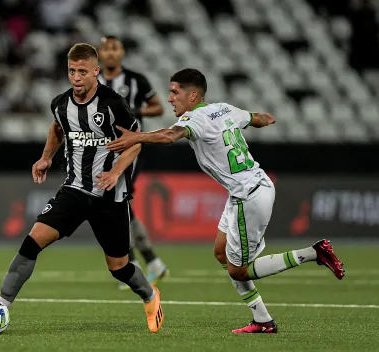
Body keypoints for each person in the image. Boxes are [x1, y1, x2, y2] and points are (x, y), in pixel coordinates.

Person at [106, 68, 345, 334]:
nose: (170, 98)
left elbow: (169, 136)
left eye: (175, 92)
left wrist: (136, 137)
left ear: (193, 95)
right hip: (246, 189)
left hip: (249, 195)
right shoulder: (223, 109)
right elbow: (253, 118)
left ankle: (313, 253)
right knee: (221, 252)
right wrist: (263, 119)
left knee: (239, 271)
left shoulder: (195, 118)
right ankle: (263, 320)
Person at [0, 43, 164, 334]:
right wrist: (46, 157)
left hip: (110, 197)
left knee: (119, 267)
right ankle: (1, 304)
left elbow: (136, 140)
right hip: (73, 191)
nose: (77, 77)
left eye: (83, 71)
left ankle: (149, 295)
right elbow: (57, 128)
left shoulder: (113, 104)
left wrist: (115, 172)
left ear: (96, 71)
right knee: (32, 242)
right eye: (72, 71)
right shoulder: (61, 104)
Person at [97, 35, 168, 289]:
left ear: (122, 52)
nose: (110, 54)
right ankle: (150, 261)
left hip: (130, 149)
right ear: (99, 53)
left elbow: (158, 108)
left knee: (116, 202)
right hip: (100, 152)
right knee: (121, 205)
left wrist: (135, 111)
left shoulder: (135, 80)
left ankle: (133, 265)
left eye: (114, 49)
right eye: (106, 49)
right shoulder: (94, 81)